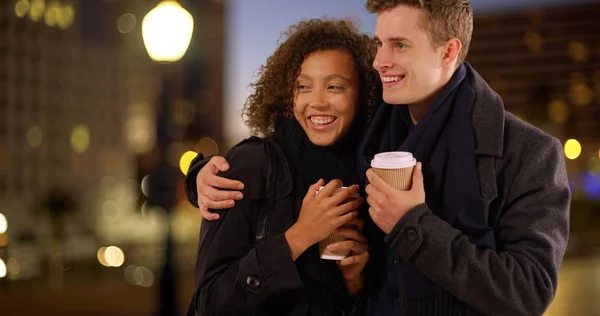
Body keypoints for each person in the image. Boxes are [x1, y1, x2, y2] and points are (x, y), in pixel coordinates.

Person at [186, 1, 571, 315]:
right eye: (379, 43)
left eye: (399, 45)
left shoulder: (529, 153)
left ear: (449, 50)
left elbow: (528, 293)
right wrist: (201, 175)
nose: (379, 60)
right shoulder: (373, 137)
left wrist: (408, 225)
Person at [187, 19, 383, 316]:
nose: (316, 102)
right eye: (303, 87)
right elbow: (209, 303)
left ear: (363, 94)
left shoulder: (368, 180)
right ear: (288, 96)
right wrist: (299, 236)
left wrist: (353, 283)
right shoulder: (252, 164)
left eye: (334, 87)